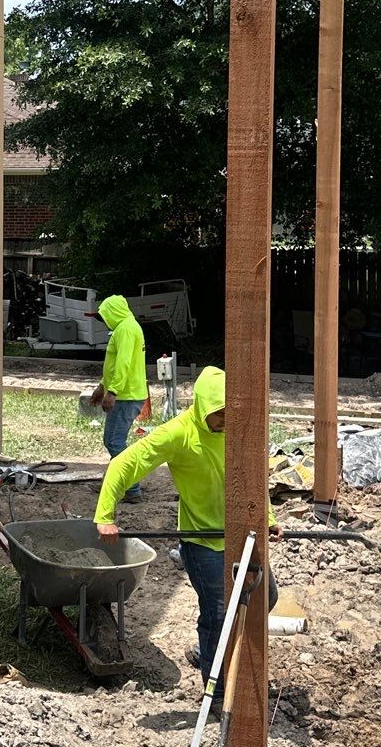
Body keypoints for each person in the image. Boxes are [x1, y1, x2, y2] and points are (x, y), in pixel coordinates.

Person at [94, 365, 275, 692]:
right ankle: (216, 692)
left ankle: (209, 650)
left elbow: (254, 478)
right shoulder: (178, 433)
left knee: (266, 598)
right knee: (217, 614)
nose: (225, 421)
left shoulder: (237, 429)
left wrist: (269, 519)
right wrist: (105, 515)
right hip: (202, 544)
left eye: (229, 414)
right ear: (203, 406)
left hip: (242, 536)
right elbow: (124, 463)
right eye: (219, 415)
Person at [88, 294, 147, 500]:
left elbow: (123, 363)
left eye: (105, 317)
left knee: (114, 442)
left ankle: (132, 489)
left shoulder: (126, 329)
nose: (104, 322)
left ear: (113, 313)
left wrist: (112, 391)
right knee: (114, 441)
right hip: (126, 394)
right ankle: (114, 484)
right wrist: (102, 387)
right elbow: (114, 365)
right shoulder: (126, 327)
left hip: (125, 396)